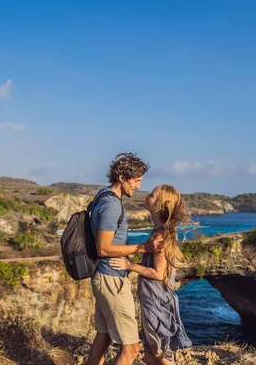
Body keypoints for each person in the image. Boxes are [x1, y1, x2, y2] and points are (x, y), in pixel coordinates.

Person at [86, 153, 163, 365]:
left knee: (103, 338)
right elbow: (103, 248)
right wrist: (143, 247)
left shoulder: (103, 195)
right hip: (111, 279)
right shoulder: (112, 205)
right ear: (122, 177)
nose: (138, 186)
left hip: (103, 276)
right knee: (131, 348)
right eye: (136, 180)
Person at [110, 185, 193, 365]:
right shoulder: (160, 231)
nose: (147, 195)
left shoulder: (162, 235)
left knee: (158, 353)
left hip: (157, 301)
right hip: (154, 299)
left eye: (152, 195)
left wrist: (130, 265)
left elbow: (158, 273)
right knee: (150, 353)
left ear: (160, 205)